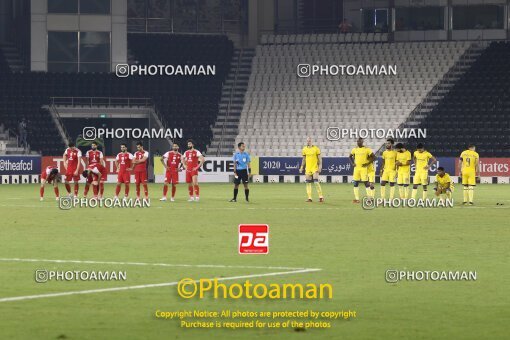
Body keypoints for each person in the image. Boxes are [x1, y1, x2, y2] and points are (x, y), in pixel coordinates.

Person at [349, 138, 375, 203]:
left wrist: (368, 163)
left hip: (363, 169)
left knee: (366, 183)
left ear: (362, 142)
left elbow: (374, 157)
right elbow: (350, 156)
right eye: (357, 141)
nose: (358, 142)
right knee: (355, 183)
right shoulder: (354, 149)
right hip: (356, 169)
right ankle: (357, 199)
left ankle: (369, 198)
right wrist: (352, 163)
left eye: (359, 141)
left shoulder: (367, 149)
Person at [299, 137, 324, 202]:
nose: (308, 142)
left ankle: (321, 197)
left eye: (309, 141)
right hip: (308, 168)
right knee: (308, 183)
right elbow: (303, 159)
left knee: (316, 182)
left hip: (314, 167)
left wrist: (320, 166)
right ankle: (309, 198)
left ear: (311, 141)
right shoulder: (304, 149)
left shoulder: (316, 149)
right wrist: (301, 167)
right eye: (307, 141)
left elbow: (320, 159)